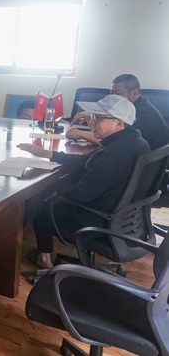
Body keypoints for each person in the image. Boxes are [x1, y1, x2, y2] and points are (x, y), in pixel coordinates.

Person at [18, 95, 150, 269]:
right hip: (124, 220)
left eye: (98, 118)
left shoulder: (111, 155)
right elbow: (91, 162)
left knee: (42, 205)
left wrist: (52, 186)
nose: (92, 122)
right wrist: (50, 154)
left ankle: (44, 260)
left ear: (118, 123)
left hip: (99, 221)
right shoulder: (136, 142)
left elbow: (80, 195)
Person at [66, 74, 169, 150]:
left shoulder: (139, 112)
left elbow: (113, 142)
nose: (113, 97)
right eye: (111, 93)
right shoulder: (138, 105)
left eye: (117, 93)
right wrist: (91, 118)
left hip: (142, 165)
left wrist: (81, 134)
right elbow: (108, 135)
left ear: (135, 93)